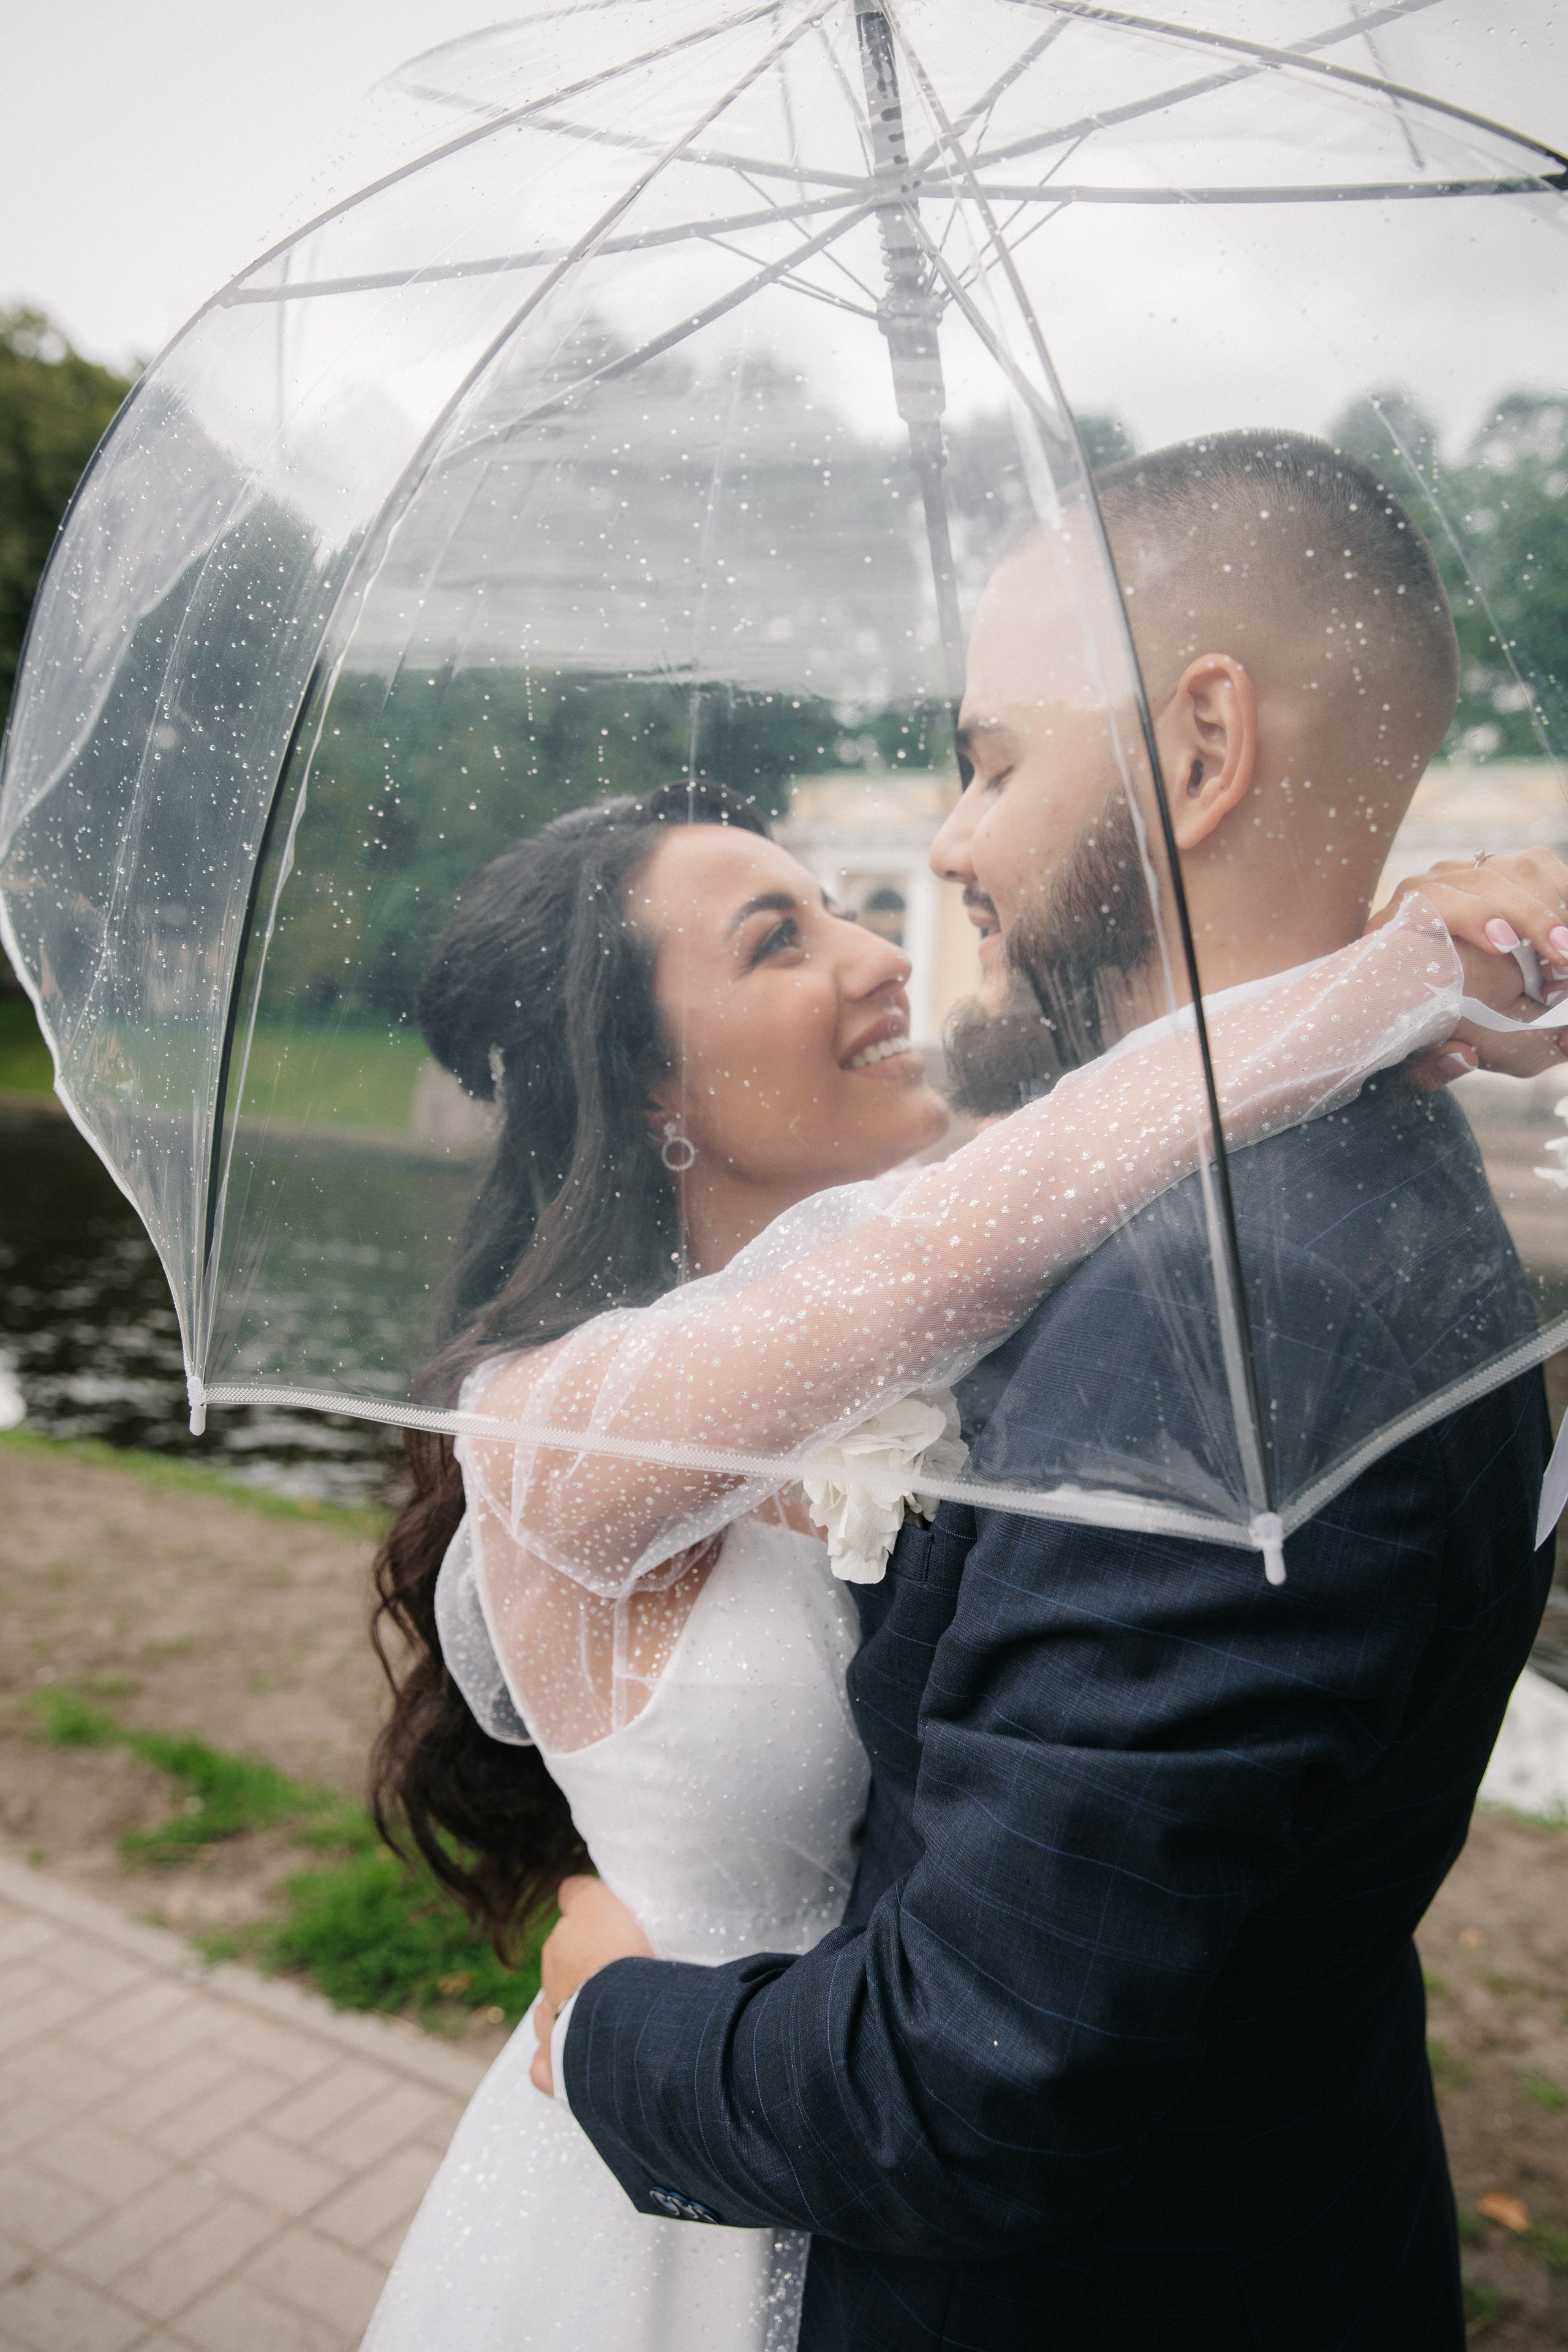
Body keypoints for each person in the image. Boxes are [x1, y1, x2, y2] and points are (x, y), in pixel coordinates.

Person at [529, 431, 1567, 2351]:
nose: (942, 848)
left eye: (994, 760)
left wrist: (608, 2024)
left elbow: (966, 2092)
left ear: (1197, 749)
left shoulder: (1217, 1318)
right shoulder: (1360, 1175)